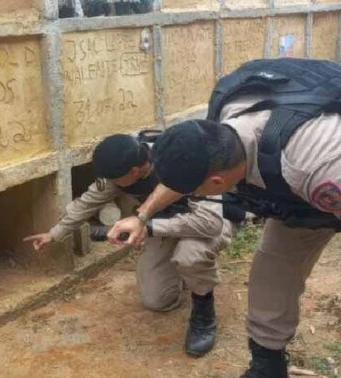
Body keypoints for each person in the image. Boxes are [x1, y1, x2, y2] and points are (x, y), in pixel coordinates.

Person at [106, 58, 341, 378]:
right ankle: (267, 365)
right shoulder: (223, 124)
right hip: (299, 191)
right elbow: (187, 171)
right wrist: (143, 215)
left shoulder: (315, 167)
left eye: (194, 190)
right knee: (272, 270)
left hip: (324, 167)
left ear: (216, 184)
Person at [24, 133, 242, 358]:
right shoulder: (124, 169)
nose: (111, 183)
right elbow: (88, 201)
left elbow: (210, 225)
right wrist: (55, 233)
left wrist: (147, 228)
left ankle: (204, 310)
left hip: (213, 221)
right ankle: (183, 275)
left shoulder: (184, 162)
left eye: (115, 179)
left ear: (135, 171)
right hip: (165, 223)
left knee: (189, 256)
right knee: (156, 300)